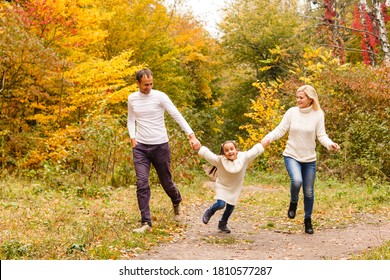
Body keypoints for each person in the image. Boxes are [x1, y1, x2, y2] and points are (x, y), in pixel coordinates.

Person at [127, 68, 201, 233]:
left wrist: (191, 135)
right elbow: (131, 119)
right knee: (142, 183)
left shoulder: (160, 96)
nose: (149, 87)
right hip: (140, 147)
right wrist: (132, 136)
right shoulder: (132, 98)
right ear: (138, 83)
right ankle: (146, 222)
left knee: (166, 182)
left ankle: (176, 199)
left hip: (160, 146)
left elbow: (177, 115)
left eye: (151, 83)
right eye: (146, 84)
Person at [261, 85, 340, 234]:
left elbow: (321, 135)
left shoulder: (318, 114)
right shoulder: (292, 112)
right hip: (292, 155)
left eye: (301, 97)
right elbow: (280, 129)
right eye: (297, 97)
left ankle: (307, 220)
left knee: (309, 192)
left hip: (309, 159)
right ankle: (293, 202)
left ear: (310, 99)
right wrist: (268, 138)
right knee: (297, 181)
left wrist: (330, 144)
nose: (298, 100)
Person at [196, 140, 266, 233]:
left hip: (235, 187)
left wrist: (263, 144)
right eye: (226, 150)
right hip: (222, 186)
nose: (230, 151)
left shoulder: (244, 158)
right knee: (221, 204)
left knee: (230, 208)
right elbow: (208, 155)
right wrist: (199, 148)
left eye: (231, 149)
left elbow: (254, 151)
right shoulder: (220, 160)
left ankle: (222, 223)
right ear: (224, 153)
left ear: (236, 150)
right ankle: (210, 211)